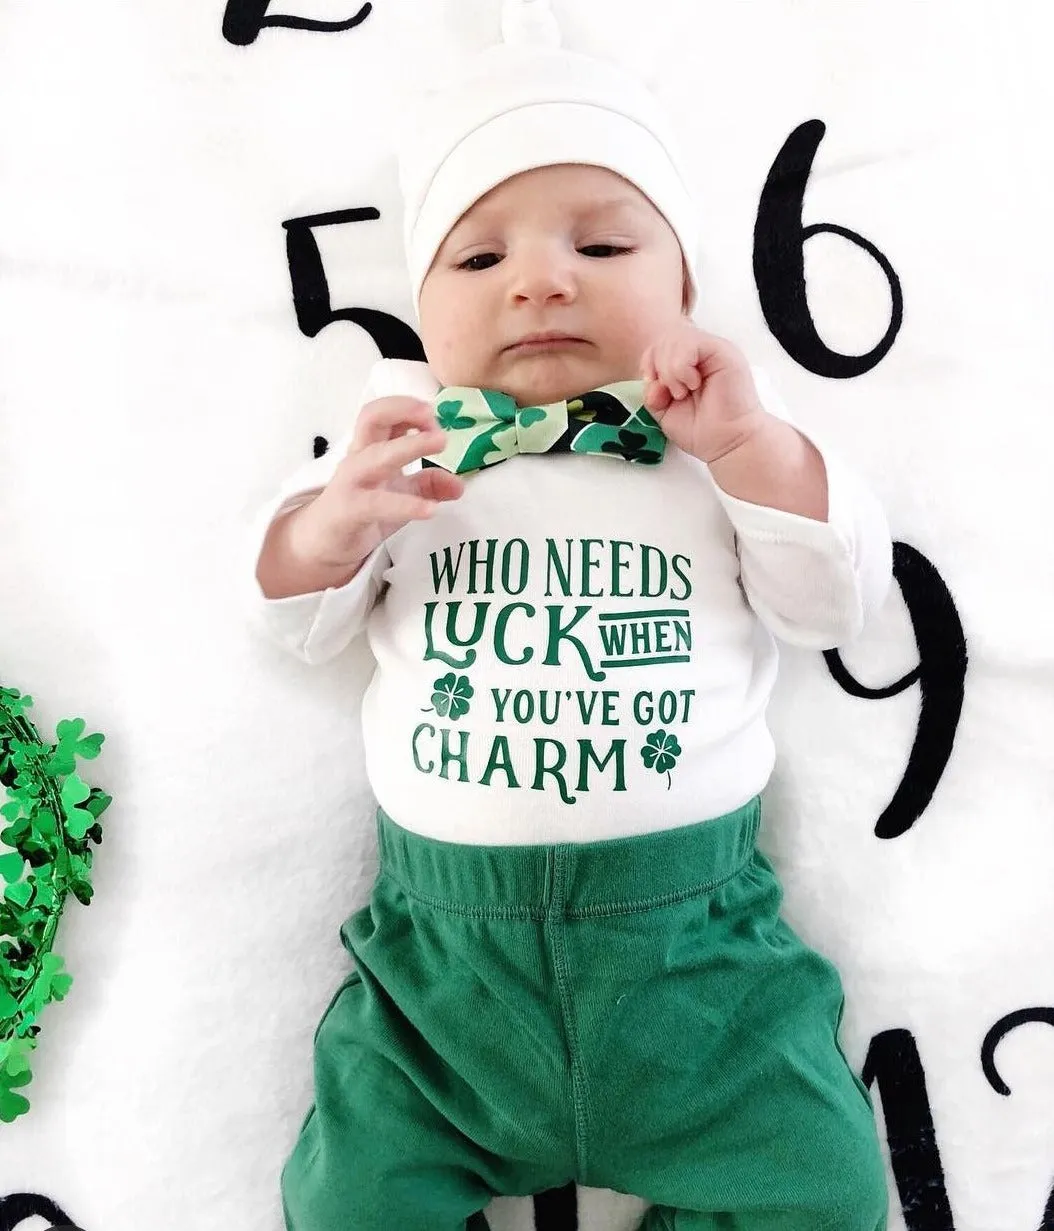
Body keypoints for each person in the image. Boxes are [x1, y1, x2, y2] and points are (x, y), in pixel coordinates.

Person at [249, 2, 893, 1227]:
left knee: (827, 1185)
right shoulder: (396, 449)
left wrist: (755, 449)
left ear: (688, 285)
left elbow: (832, 603)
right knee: (348, 1198)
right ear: (423, 306)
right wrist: (330, 526)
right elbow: (292, 617)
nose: (541, 279)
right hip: (442, 990)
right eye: (479, 260)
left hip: (698, 969)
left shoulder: (713, 457)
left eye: (602, 249)